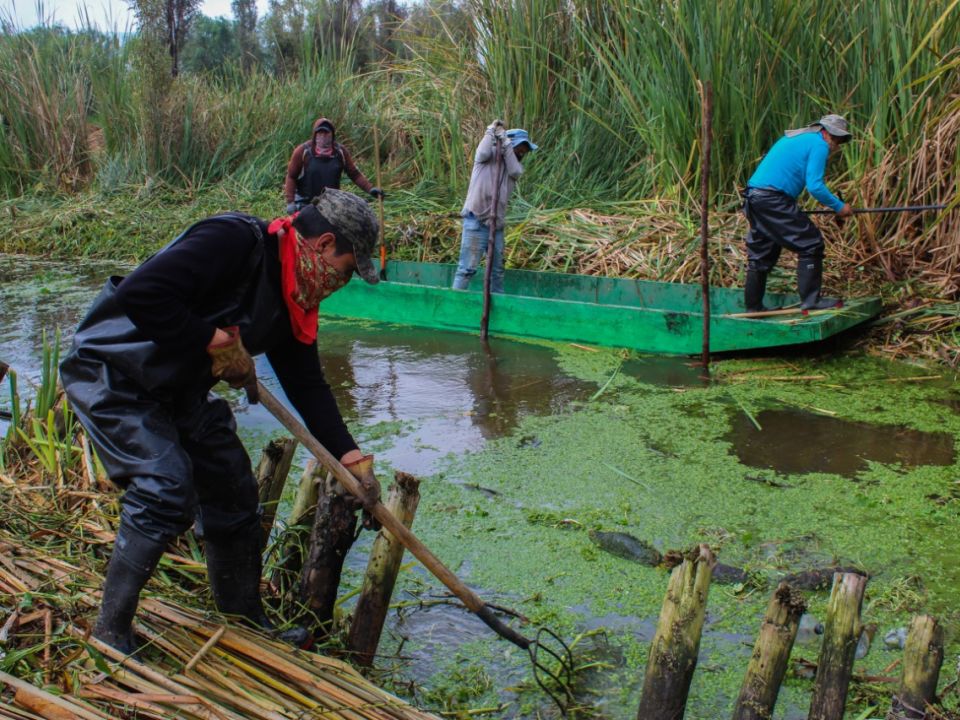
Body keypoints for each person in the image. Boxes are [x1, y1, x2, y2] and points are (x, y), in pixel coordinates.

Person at [60, 188, 384, 655]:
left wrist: (354, 461)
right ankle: (110, 633)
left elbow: (308, 387)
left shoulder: (295, 295)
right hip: (114, 373)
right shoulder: (233, 241)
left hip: (177, 387)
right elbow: (141, 294)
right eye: (349, 268)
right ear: (324, 243)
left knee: (233, 486)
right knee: (165, 487)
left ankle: (242, 616)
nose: (345, 281)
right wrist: (214, 338)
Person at [741, 113, 854, 312]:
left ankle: (753, 307)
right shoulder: (819, 144)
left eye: (840, 141)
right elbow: (815, 186)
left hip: (755, 197)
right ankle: (811, 301)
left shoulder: (798, 138)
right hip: (772, 198)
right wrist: (839, 207)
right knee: (811, 243)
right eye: (835, 139)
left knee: (762, 253)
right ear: (825, 132)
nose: (836, 145)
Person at [452, 120, 538, 293]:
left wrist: (506, 144)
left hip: (496, 225)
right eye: (520, 147)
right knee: (467, 269)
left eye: (525, 149)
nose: (523, 152)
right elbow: (482, 151)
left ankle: (497, 308)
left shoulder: (513, 167)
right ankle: (454, 306)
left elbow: (515, 171)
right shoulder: (488, 156)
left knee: (497, 271)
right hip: (476, 221)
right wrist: (490, 131)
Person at [283, 117, 384, 214]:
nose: (323, 136)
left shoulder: (340, 152)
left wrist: (370, 189)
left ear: (332, 135)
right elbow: (291, 176)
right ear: (315, 135)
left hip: (331, 202)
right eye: (320, 133)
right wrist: (290, 202)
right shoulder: (303, 152)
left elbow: (355, 174)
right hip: (305, 203)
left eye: (326, 133)